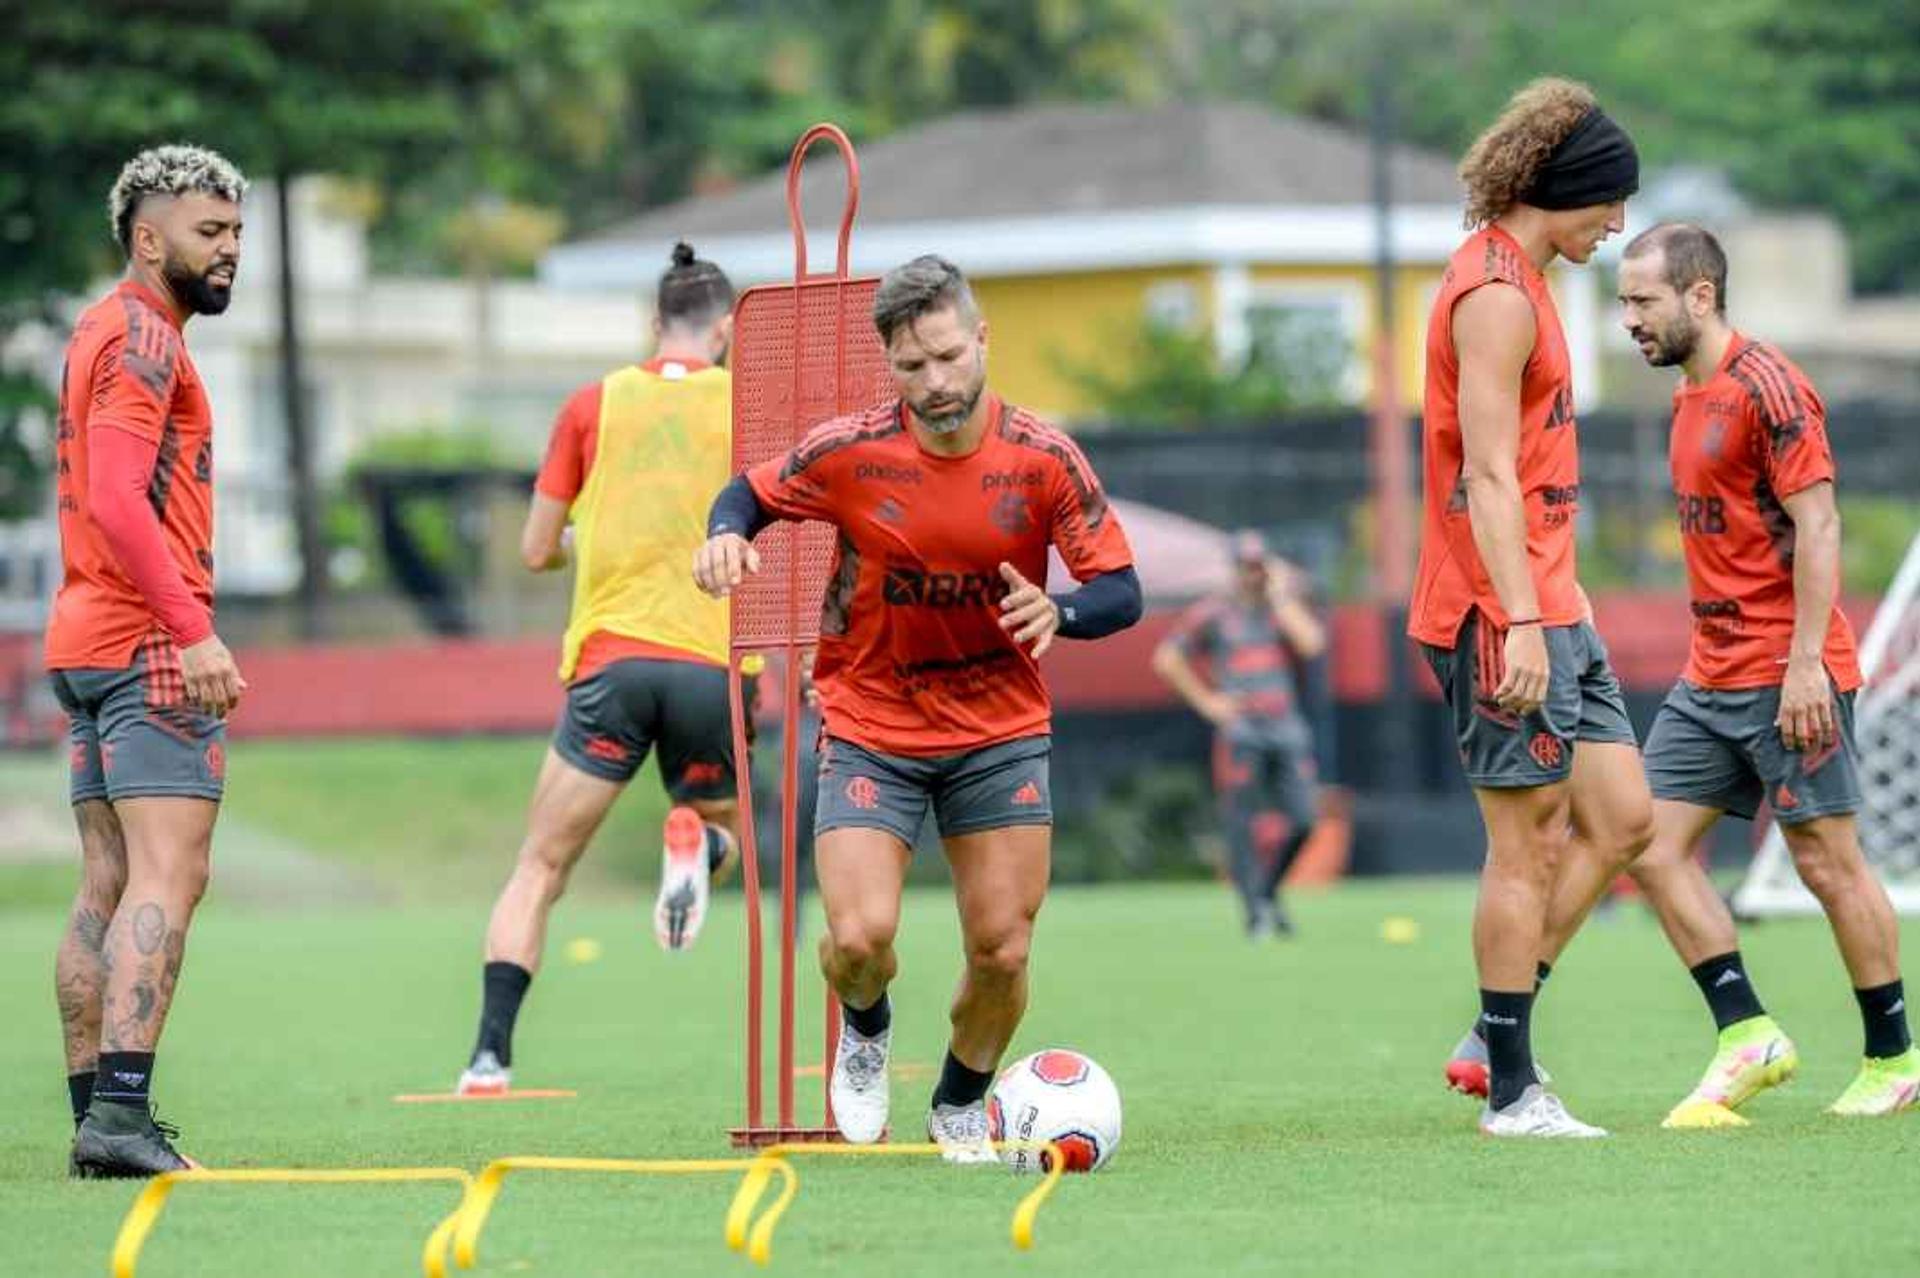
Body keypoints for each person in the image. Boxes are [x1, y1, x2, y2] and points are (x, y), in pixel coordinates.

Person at [694, 255, 1141, 1160]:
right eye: (912, 367)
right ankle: (864, 1030)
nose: (935, 384)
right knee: (858, 937)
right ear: (888, 365)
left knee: (1003, 950)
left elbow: (1122, 590)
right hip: (871, 727)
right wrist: (725, 539)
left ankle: (958, 1099)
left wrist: (1064, 611)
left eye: (948, 357)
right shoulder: (850, 451)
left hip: (999, 733)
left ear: (981, 340)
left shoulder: (1044, 458)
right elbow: (746, 492)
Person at [1616, 222, 1917, 1122]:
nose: (1627, 319)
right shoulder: (1686, 395)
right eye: (1623, 300)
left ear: (1699, 296)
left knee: (1828, 865)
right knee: (1648, 842)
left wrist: (1804, 669)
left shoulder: (1773, 388)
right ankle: (1747, 1032)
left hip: (1793, 671)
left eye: (1642, 301)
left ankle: (1894, 1059)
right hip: (1709, 676)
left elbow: (1819, 528)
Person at [1408, 78, 1653, 1138]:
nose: (1620, 227)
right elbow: (1490, 478)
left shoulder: (1533, 281)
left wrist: (1563, 601)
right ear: (1577, 191)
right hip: (1498, 612)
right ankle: (1512, 1090)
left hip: (1554, 600)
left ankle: (1490, 1031)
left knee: (1625, 818)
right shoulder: (1497, 296)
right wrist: (1517, 619)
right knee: (1528, 844)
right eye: (1614, 206)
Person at [456, 244, 748, 1096]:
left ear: (652, 325)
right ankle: (702, 845)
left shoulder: (593, 405)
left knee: (539, 868)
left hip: (612, 663)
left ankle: (488, 1058)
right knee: (726, 829)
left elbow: (537, 546)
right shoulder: (750, 407)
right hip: (711, 660)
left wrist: (585, 544)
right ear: (727, 329)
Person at [50, 144, 248, 1177]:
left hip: (84, 638)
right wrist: (192, 627)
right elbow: (124, 500)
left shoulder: (97, 327)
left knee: (108, 879)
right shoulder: (142, 338)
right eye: (208, 232)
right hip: (145, 644)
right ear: (146, 235)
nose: (229, 251)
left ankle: (96, 1120)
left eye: (236, 235)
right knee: (172, 871)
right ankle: (122, 1118)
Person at [1154, 531, 1326, 937]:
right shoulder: (1212, 613)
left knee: (1305, 819)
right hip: (1242, 731)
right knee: (1241, 823)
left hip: (1286, 727)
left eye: (1258, 566)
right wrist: (1209, 704)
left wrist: (1282, 596)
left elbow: (1313, 643)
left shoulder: (1279, 609)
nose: (1252, 575)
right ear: (1233, 570)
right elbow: (1167, 659)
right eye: (1245, 567)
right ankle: (1256, 915)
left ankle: (1267, 893)